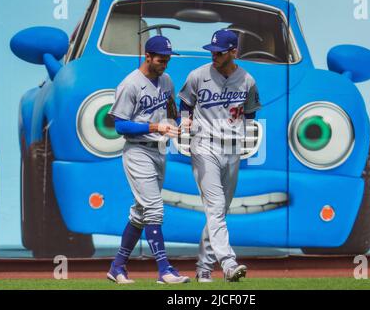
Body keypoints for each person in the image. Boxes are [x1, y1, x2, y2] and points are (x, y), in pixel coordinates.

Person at [178, 29, 262, 282]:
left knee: (219, 212)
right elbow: (185, 103)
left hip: (232, 149)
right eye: (212, 50)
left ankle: (204, 268)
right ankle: (228, 263)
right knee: (215, 207)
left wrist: (243, 136)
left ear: (233, 52)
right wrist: (185, 122)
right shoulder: (198, 76)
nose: (214, 54)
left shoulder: (247, 80)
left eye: (219, 51)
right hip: (204, 146)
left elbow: (250, 112)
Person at [107, 35, 189, 285]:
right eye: (161, 59)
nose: (165, 64)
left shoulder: (166, 80)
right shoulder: (130, 84)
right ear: (148, 56)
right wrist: (156, 127)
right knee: (154, 209)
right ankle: (165, 270)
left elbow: (171, 111)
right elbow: (120, 125)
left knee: (140, 214)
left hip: (158, 151)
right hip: (137, 151)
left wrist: (180, 122)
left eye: (167, 59)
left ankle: (117, 266)